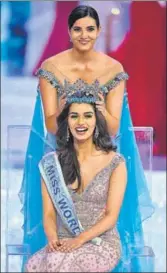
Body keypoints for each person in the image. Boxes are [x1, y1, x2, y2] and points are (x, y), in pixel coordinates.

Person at [19, 5, 154, 272]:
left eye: (90, 29)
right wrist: (67, 111)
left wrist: (99, 112)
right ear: (69, 32)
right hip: (62, 152)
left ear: (98, 31)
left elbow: (114, 127)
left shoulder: (113, 69)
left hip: (100, 154)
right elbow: (49, 123)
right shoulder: (52, 67)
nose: (84, 35)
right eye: (78, 29)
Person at [25, 90, 127, 272]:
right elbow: (48, 214)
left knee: (58, 264)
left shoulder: (115, 163)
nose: (81, 123)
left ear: (96, 121)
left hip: (100, 242)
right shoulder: (51, 164)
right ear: (67, 122)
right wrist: (53, 239)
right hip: (64, 240)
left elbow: (111, 216)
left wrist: (79, 240)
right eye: (74, 116)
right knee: (34, 265)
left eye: (87, 116)